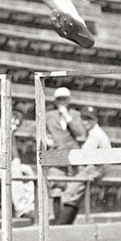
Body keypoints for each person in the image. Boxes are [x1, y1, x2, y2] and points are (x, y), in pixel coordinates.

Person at [44, 87, 87, 225]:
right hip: (56, 154)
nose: (62, 102)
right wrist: (45, 139)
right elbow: (34, 130)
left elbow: (81, 134)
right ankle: (58, 224)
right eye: (59, 99)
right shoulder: (49, 115)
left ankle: (66, 223)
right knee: (56, 187)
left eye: (64, 99)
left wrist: (67, 118)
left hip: (73, 155)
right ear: (55, 101)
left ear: (69, 100)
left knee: (72, 190)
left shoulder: (75, 115)